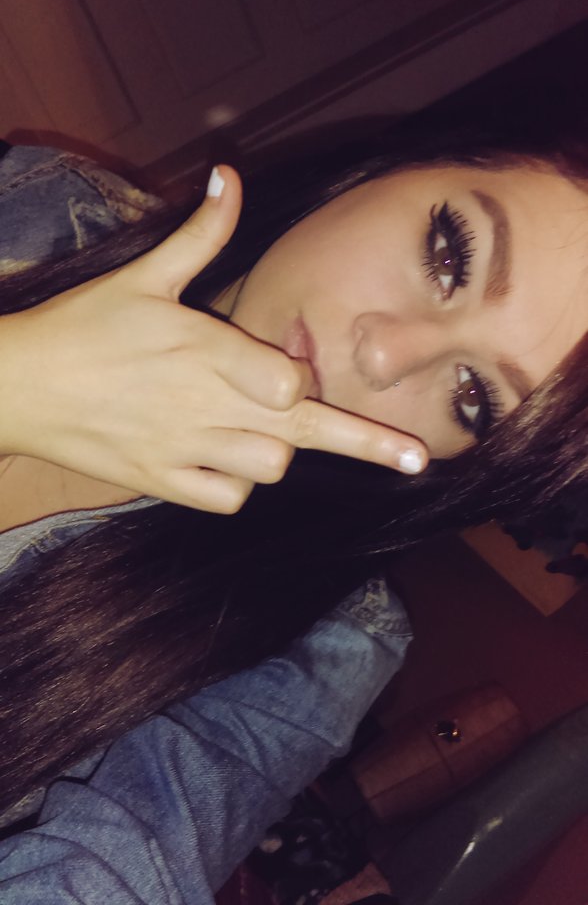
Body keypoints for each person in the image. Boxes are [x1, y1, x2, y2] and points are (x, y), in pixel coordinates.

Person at [0, 118, 586, 899]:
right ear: (389, 165)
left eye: (473, 396)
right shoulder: (38, 208)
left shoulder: (324, 649)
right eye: (450, 255)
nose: (385, 353)